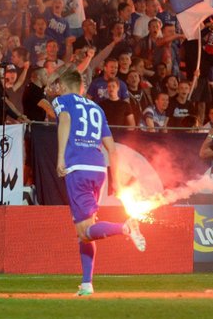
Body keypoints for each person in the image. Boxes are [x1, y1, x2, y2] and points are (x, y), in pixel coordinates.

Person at [53, 69, 145, 297]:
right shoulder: (97, 108)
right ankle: (86, 284)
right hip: (98, 168)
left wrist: (60, 156)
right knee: (84, 231)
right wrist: (118, 181)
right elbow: (112, 148)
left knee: (84, 231)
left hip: (78, 168)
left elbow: (64, 120)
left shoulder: (62, 101)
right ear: (82, 88)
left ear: (64, 88)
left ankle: (125, 228)